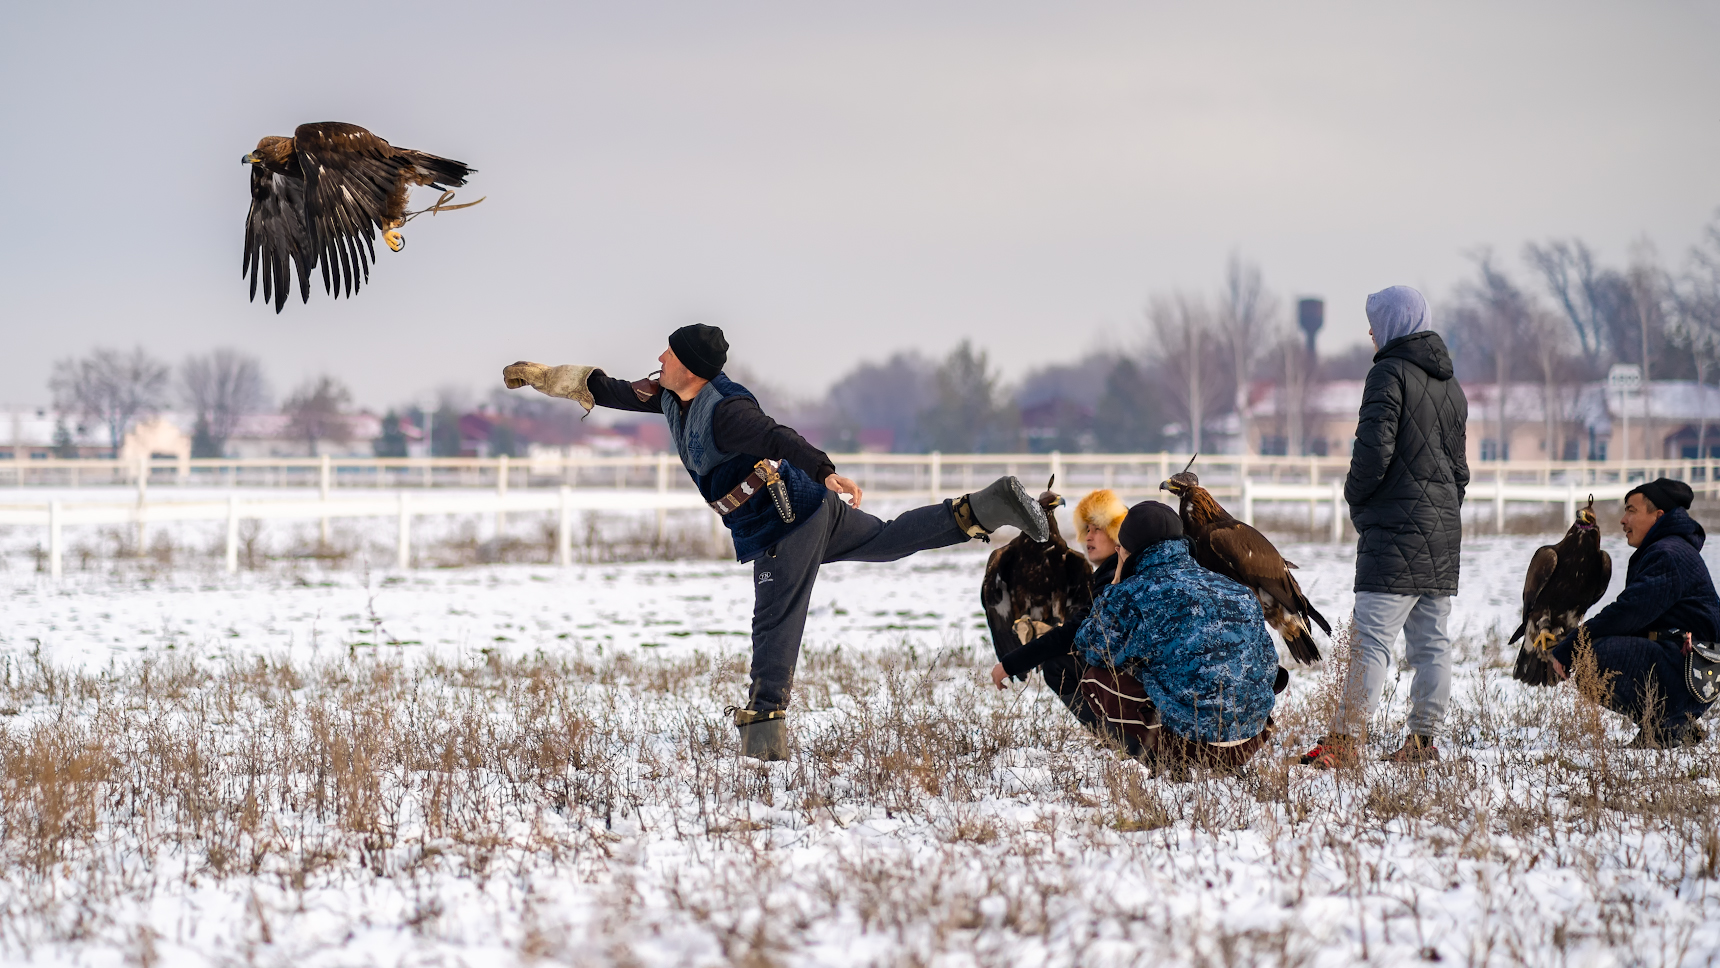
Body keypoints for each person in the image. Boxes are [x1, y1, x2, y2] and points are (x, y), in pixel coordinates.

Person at [502, 324, 1050, 760]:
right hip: (806, 508)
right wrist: (545, 376)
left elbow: (776, 437)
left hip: (788, 519)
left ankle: (764, 732)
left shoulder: (728, 412)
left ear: (689, 366)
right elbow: (611, 389)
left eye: (668, 353)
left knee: (775, 617)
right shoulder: (670, 395)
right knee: (886, 541)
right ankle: (986, 507)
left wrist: (826, 469)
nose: (659, 359)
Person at [1301, 285, 1469, 768]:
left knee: (1371, 641)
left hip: (1394, 532)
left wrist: (1356, 496)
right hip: (1442, 533)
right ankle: (1422, 742)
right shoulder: (1451, 386)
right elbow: (1459, 471)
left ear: (1394, 323)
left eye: (1375, 320)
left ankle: (1344, 743)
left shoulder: (1388, 374)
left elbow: (1373, 451)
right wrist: (1443, 513)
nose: (1370, 330)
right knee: (1432, 641)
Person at [1070, 501, 1281, 770]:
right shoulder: (1235, 589)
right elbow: (1269, 665)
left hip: (1190, 746)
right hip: (1250, 740)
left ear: (1127, 549)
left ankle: (1162, 763)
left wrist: (1114, 585)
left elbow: (1090, 644)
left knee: (1094, 675)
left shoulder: (1134, 593)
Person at [1544, 479, 1720, 748]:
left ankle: (1669, 725)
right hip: (1692, 670)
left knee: (1593, 658)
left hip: (1690, 672)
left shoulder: (1667, 554)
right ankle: (1671, 726)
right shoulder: (1666, 549)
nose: (1623, 520)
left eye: (1631, 511)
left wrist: (1571, 645)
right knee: (1595, 651)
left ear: (1658, 515)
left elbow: (1627, 613)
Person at [988, 488, 1130, 730]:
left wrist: (1015, 661)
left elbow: (1078, 630)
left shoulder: (1110, 576)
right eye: (1087, 529)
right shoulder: (1114, 571)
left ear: (1117, 534)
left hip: (1136, 679)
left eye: (1097, 529)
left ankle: (1117, 737)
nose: (1088, 537)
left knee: (1057, 666)